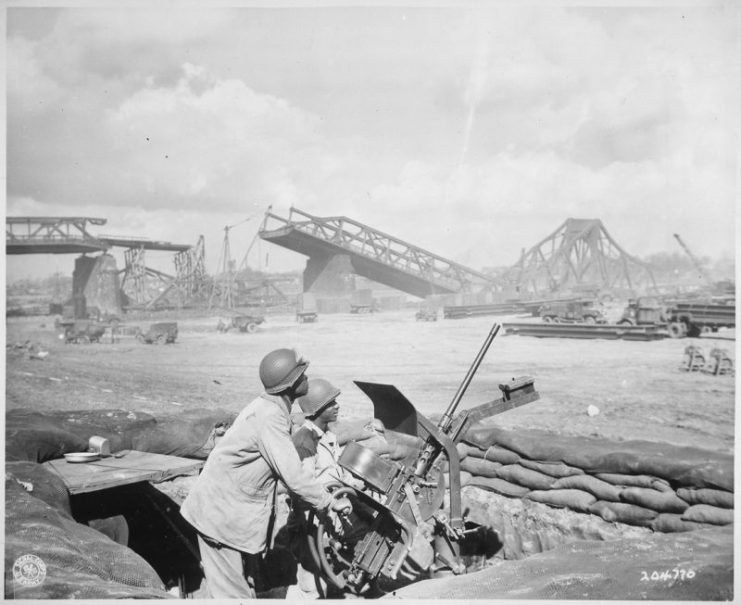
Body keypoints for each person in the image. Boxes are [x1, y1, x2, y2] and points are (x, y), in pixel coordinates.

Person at [180, 349, 352, 599]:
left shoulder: (268, 406)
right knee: (232, 595)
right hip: (220, 516)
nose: (307, 379)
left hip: (227, 511)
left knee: (241, 586)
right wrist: (329, 502)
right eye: (303, 375)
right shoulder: (270, 418)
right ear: (291, 385)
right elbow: (293, 475)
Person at [287, 378, 363, 599]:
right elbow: (302, 486)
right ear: (317, 409)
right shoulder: (305, 440)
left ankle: (364, 589)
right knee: (312, 586)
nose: (337, 406)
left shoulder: (328, 436)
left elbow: (338, 471)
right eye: (331, 403)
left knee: (369, 539)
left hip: (332, 513)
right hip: (310, 521)